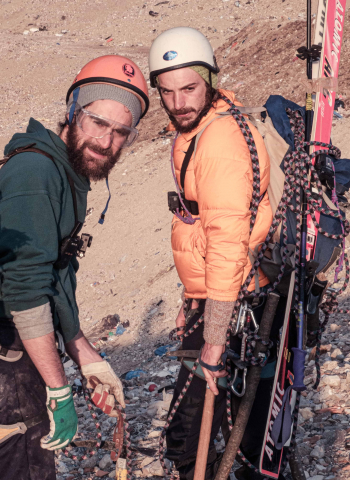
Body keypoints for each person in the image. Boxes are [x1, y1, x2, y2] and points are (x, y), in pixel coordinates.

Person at [0, 55, 149, 480]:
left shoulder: (62, 168)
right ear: (73, 110)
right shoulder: (37, 174)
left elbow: (54, 274)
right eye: (97, 122)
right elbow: (25, 288)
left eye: (120, 131)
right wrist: (58, 390)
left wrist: (83, 354)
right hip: (3, 367)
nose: (106, 141)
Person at [148, 27, 279, 479]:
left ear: (209, 80)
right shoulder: (200, 126)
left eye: (189, 89)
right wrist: (191, 302)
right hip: (220, 297)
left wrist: (215, 338)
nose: (179, 102)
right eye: (168, 91)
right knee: (244, 420)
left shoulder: (218, 143)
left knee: (190, 434)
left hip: (233, 301)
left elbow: (226, 241)